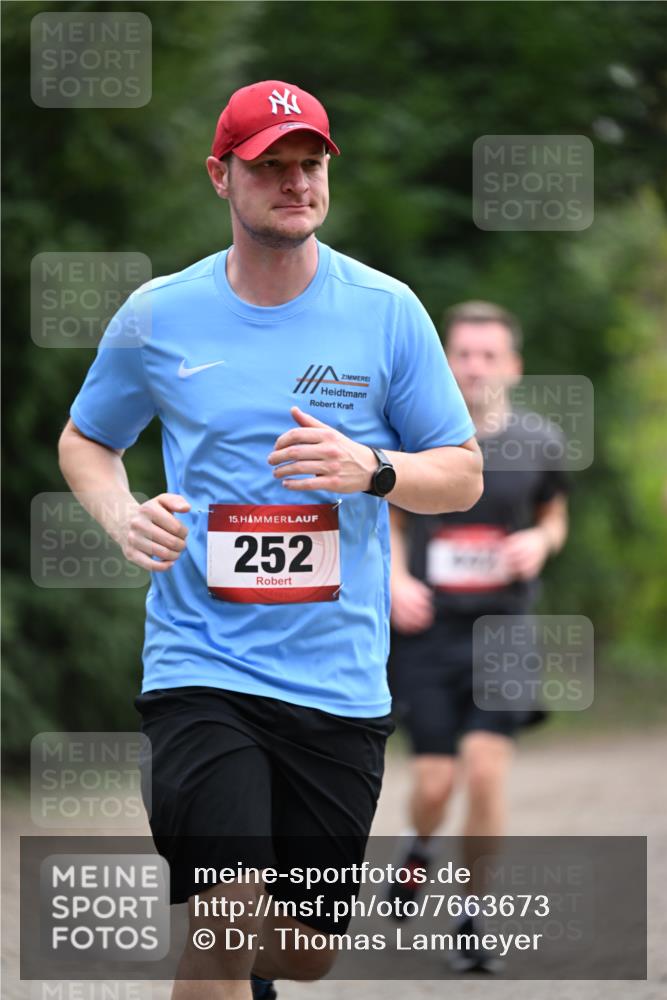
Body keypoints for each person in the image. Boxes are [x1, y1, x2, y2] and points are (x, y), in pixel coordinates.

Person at [57, 80, 483, 1000]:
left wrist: (372, 467)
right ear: (222, 176)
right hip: (200, 668)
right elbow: (87, 440)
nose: (296, 184)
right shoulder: (160, 313)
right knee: (227, 911)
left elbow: (461, 472)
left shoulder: (386, 311)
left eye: (310, 164)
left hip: (335, 681)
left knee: (304, 950)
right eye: (271, 168)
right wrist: (121, 513)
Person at [387, 300, 569, 972]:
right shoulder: (415, 434)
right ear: (445, 360)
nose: (473, 366)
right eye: (462, 353)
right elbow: (393, 520)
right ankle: (417, 845)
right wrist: (395, 581)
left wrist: (538, 542)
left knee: (487, 771)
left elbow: (553, 515)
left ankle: (472, 917)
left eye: (488, 355)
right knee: (434, 781)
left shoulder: (540, 442)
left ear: (513, 367)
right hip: (427, 633)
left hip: (504, 630)